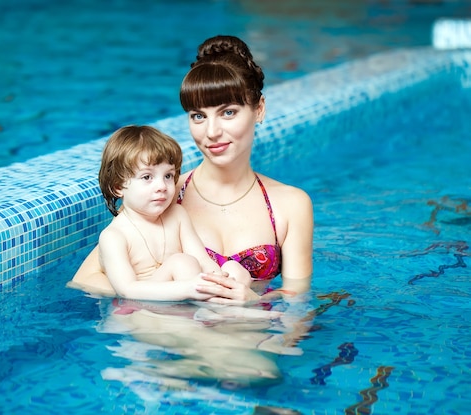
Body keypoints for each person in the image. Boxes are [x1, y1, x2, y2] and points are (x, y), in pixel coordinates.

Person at [69, 34, 313, 304]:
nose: (212, 132)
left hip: (251, 327)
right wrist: (166, 289)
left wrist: (252, 300)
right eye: (198, 116)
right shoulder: (164, 194)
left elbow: (298, 296)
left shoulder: (290, 204)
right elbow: (85, 280)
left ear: (259, 109)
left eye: (228, 112)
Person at [97, 125, 251, 301]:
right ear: (118, 187)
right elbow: (127, 290)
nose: (162, 186)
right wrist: (187, 289)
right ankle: (231, 315)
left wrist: (219, 279)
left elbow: (202, 259)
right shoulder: (114, 236)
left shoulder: (177, 215)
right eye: (147, 177)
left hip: (189, 292)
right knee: (181, 262)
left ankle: (225, 310)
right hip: (147, 309)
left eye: (168, 176)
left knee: (234, 269)